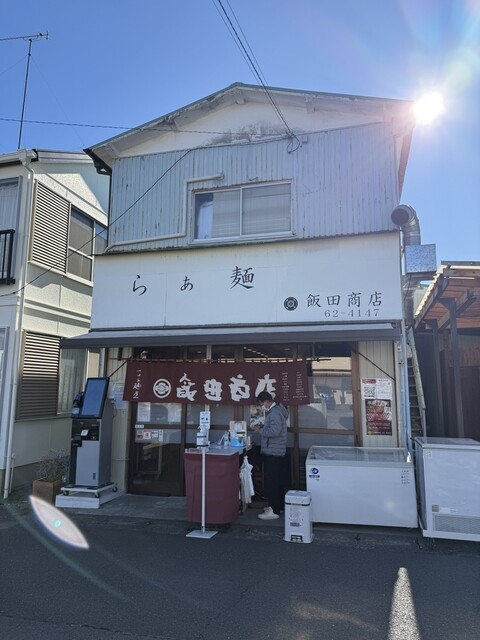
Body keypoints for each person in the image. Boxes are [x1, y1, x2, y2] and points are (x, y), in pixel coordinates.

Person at [252, 391, 288, 520]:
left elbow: (275, 431)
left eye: (262, 404)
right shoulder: (277, 411)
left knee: (272, 482)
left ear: (267, 402)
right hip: (277, 451)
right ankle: (278, 507)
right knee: (277, 481)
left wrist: (260, 430)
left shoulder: (274, 413)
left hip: (274, 452)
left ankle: (274, 510)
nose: (262, 407)